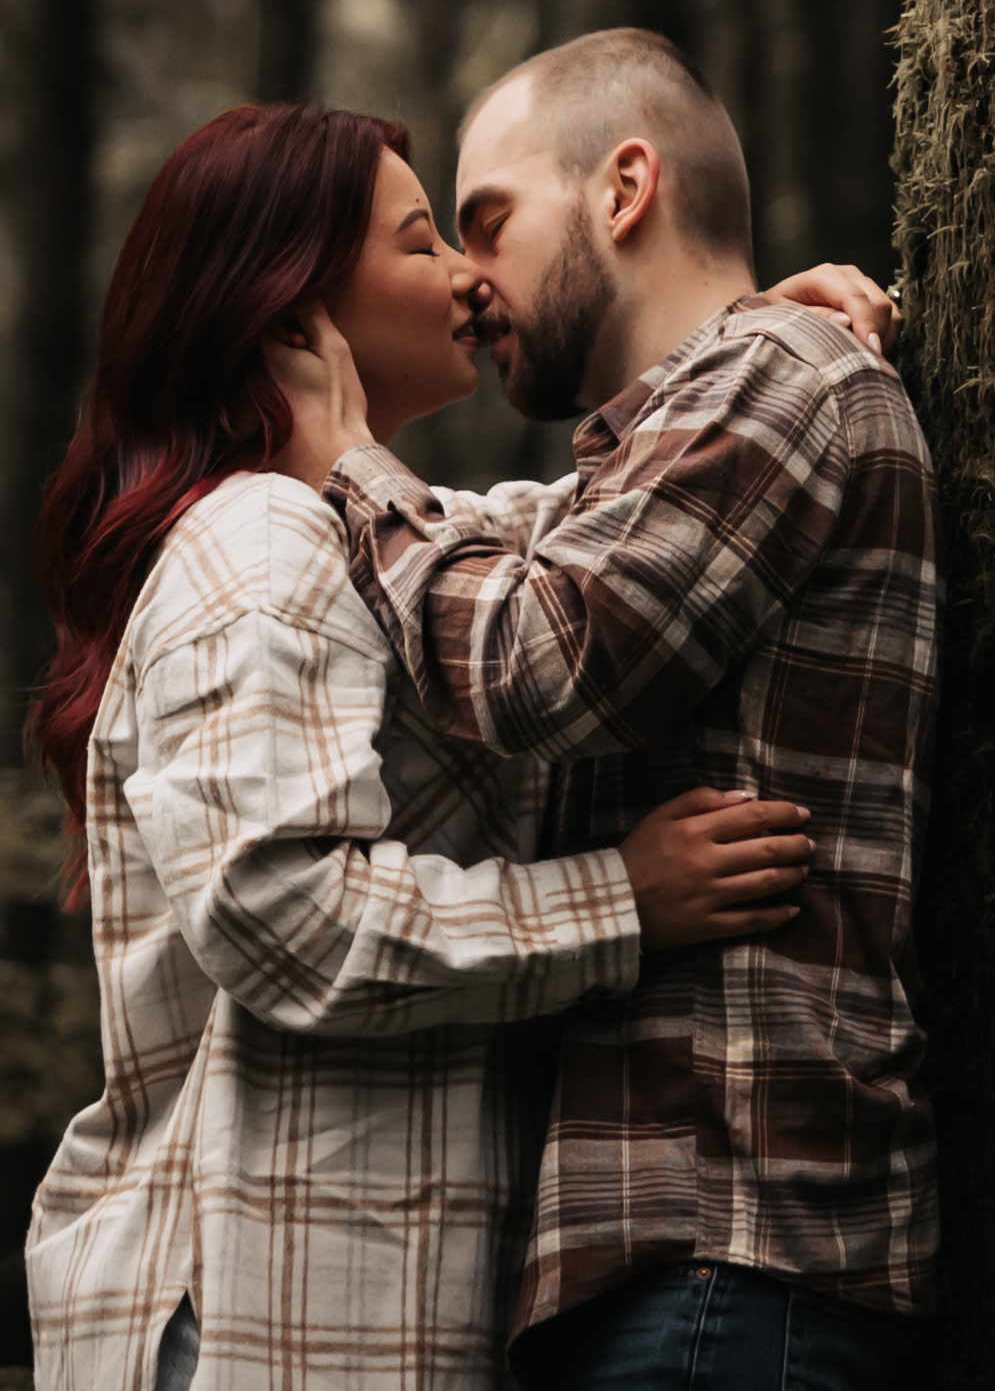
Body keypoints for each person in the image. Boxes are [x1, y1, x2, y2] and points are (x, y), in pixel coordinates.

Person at [23, 102, 865, 1391]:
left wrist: (739, 345)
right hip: (262, 1313)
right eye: (424, 244)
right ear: (292, 311)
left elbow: (584, 545)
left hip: (343, 1305)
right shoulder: (260, 541)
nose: (471, 280)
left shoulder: (360, 537)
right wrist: (621, 901)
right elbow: (279, 909)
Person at [287, 29, 940, 1390]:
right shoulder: (695, 420)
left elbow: (539, 662)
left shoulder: (787, 379)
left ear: (625, 186)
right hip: (667, 1264)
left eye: (489, 221)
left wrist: (350, 462)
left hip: (729, 1249)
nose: (466, 282)